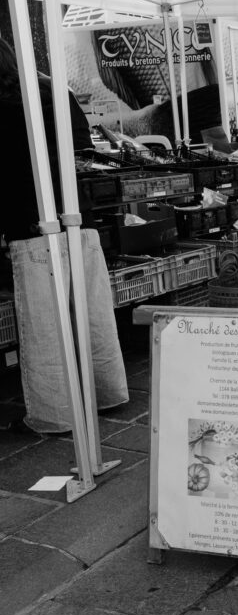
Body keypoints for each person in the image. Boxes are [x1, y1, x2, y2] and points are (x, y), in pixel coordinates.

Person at [0, 38, 129, 433]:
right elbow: (81, 148)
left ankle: (54, 417)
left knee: (45, 326)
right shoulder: (53, 89)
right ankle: (109, 394)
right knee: (93, 315)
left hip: (31, 220)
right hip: (78, 216)